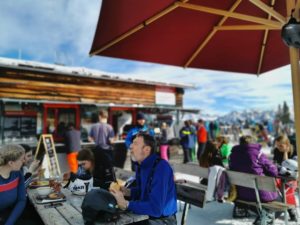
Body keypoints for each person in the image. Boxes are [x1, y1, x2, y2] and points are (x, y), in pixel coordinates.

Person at [110, 133, 177, 225]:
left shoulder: (161, 168)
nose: (130, 146)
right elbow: (143, 191)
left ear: (147, 149)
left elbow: (156, 209)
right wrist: (128, 192)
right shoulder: (141, 166)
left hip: (163, 220)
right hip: (147, 216)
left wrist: (126, 204)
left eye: (135, 143)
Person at [229, 136, 279, 224]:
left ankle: (242, 208)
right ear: (253, 143)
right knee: (280, 200)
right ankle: (266, 215)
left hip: (240, 193)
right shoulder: (257, 154)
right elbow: (273, 172)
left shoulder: (233, 154)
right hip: (259, 195)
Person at [0, 144, 26, 225]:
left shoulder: (17, 173)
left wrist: (9, 223)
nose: (24, 161)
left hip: (9, 216)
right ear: (11, 163)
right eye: (22, 159)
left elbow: (21, 200)